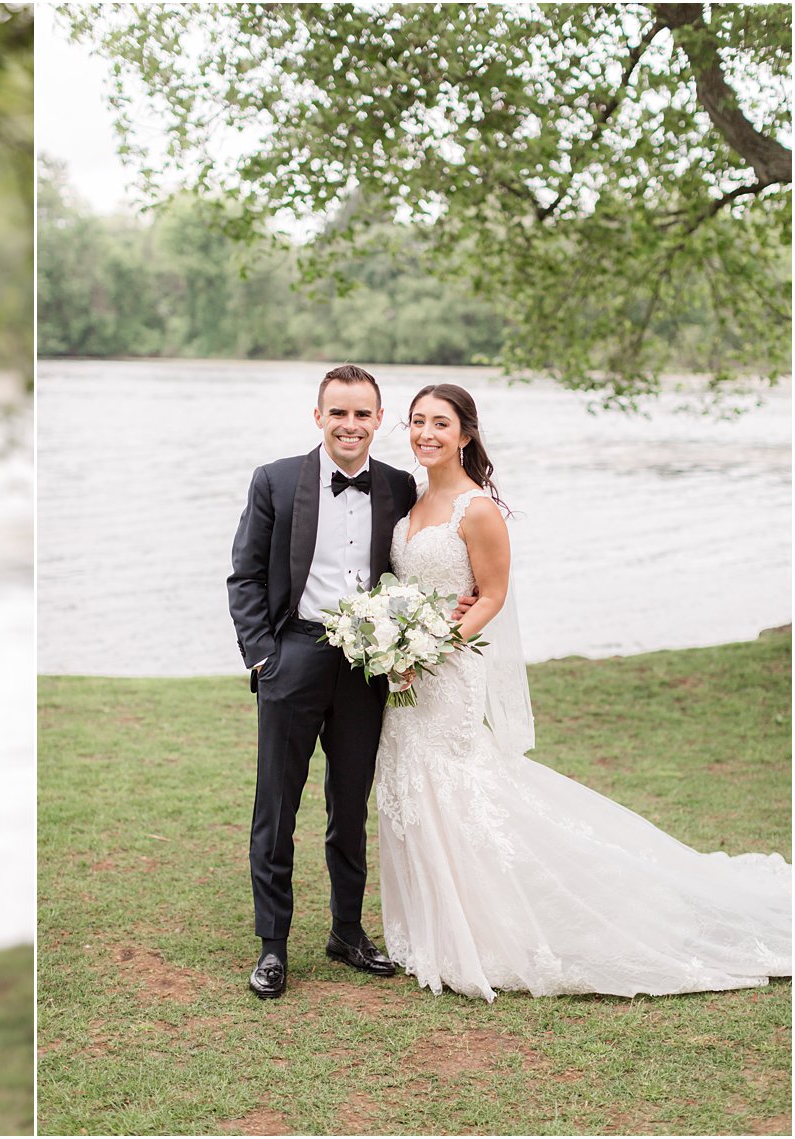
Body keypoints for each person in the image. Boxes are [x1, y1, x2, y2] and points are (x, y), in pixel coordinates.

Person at [376, 382, 793, 1001]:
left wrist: (432, 647)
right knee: (411, 785)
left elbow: (491, 594)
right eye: (416, 422)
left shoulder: (477, 509)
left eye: (440, 423)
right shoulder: (408, 501)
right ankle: (433, 928)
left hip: (449, 669)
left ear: (466, 434)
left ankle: (487, 932)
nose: (425, 434)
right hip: (405, 677)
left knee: (458, 787)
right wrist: (392, 641)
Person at [226, 364, 419, 998]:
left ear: (378, 420)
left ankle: (346, 931)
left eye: (362, 414)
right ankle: (273, 946)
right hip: (295, 654)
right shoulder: (276, 480)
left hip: (367, 666)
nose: (350, 425)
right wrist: (263, 656)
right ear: (318, 417)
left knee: (350, 803)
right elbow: (246, 576)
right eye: (338, 412)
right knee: (276, 805)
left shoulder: (398, 486)